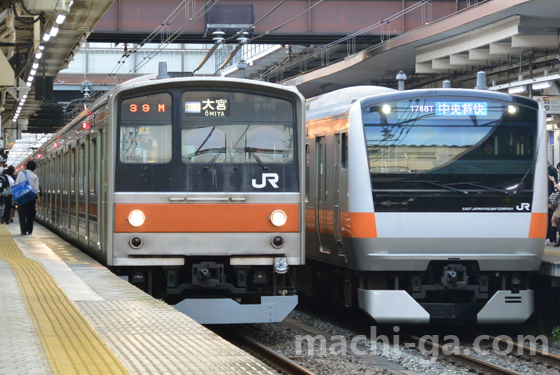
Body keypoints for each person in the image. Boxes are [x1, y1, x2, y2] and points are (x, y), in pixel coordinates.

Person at [15, 161, 41, 235]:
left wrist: (15, 196)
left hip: (22, 197)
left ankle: (23, 230)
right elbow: (36, 189)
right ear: (34, 168)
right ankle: (29, 230)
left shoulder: (20, 173)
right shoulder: (35, 176)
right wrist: (39, 198)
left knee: (21, 214)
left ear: (26, 166)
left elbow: (17, 184)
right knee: (30, 213)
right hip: (31, 197)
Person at [548, 162, 560, 245]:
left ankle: (553, 239)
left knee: (555, 219)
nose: (558, 171)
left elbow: (557, 187)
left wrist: (554, 181)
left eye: (559, 169)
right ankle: (552, 239)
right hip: (558, 203)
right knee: (554, 219)